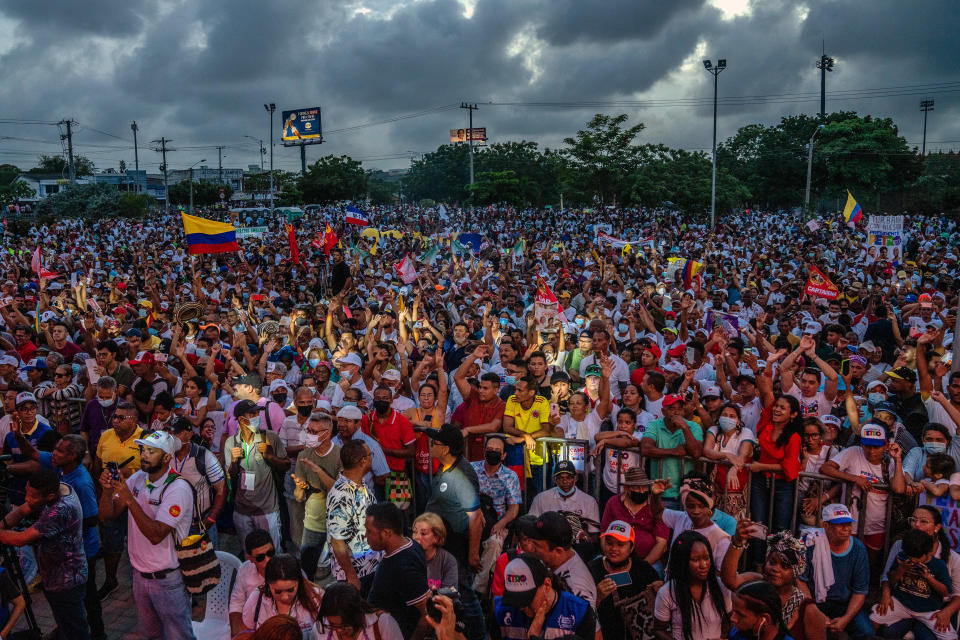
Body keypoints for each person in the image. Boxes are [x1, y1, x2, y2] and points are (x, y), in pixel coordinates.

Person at [97, 430, 196, 640]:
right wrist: (107, 491)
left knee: (178, 636)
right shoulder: (139, 478)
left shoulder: (177, 488)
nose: (144, 455)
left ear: (167, 457)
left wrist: (130, 501)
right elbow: (107, 515)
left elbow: (156, 534)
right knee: (151, 635)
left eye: (152, 451)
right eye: (143, 450)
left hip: (167, 579)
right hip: (140, 576)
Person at [15, 431, 105, 640]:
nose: (53, 453)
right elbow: (33, 453)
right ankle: (68, 627)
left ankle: (96, 634)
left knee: (86, 599)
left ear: (72, 456)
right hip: (64, 553)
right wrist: (17, 433)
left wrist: (62, 522)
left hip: (83, 550)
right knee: (72, 604)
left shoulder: (81, 482)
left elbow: (93, 518)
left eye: (58, 451)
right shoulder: (60, 465)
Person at [0, 468, 90, 640]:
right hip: (54, 575)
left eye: (32, 496)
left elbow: (20, 539)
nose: (27, 498)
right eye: (27, 492)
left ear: (49, 497)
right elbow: (22, 510)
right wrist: (3, 525)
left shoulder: (60, 510)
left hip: (66, 580)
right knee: (65, 623)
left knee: (75, 630)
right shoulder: (57, 488)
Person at [424, 424, 486, 639]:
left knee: (465, 595)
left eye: (435, 443)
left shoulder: (461, 474)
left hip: (457, 546)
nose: (431, 446)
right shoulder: (447, 467)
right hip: (445, 544)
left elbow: (476, 517)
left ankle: (480, 635)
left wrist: (472, 554)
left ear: (447, 448)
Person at [721, 522, 827, 640]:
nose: (776, 569)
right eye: (772, 562)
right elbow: (729, 580)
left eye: (785, 566)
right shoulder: (756, 584)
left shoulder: (808, 610)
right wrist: (737, 542)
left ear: (795, 572)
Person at [879, 504, 960, 639]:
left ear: (937, 528)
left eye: (924, 521)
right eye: (913, 520)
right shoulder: (900, 545)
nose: (916, 525)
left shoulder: (953, 558)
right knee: (888, 632)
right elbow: (887, 577)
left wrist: (947, 612)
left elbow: (957, 595)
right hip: (905, 603)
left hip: (936, 609)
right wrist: (886, 594)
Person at [225, 398, 290, 549]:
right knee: (250, 554)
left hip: (267, 510)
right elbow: (231, 475)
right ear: (241, 419)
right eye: (252, 414)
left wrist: (270, 456)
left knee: (273, 551)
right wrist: (234, 461)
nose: (257, 417)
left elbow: (286, 465)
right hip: (242, 510)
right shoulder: (231, 442)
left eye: (257, 413)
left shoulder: (270, 437)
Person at [93, 400, 141, 599]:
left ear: (134, 420)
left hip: (137, 500)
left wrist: (132, 472)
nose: (116, 421)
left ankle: (141, 580)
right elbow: (97, 464)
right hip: (111, 498)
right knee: (112, 540)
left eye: (122, 418)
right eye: (115, 417)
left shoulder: (145, 439)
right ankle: (111, 580)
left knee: (139, 542)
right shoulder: (106, 436)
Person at [365, 502, 431, 639]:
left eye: (369, 531)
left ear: (386, 533)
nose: (366, 536)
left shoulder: (403, 567)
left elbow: (426, 616)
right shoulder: (409, 544)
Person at [494, 554, 599, 640]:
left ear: (547, 585)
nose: (521, 607)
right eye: (513, 599)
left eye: (526, 599)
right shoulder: (500, 610)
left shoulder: (579, 612)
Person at [588, 520, 661, 640]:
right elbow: (581, 610)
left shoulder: (644, 570)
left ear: (631, 547)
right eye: (609, 543)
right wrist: (597, 597)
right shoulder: (592, 570)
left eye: (620, 544)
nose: (614, 549)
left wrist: (660, 590)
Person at [654, 530, 730, 640]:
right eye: (695, 560)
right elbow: (659, 629)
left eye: (706, 558)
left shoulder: (720, 586)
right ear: (682, 562)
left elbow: (729, 619)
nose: (703, 565)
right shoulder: (667, 592)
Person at [293, 411, 342, 579]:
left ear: (327, 433)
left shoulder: (340, 455)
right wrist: (300, 488)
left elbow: (339, 491)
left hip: (337, 521)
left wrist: (317, 470)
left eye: (314, 432)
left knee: (339, 568)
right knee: (307, 567)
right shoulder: (303, 456)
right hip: (313, 520)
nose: (310, 435)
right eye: (309, 430)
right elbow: (299, 495)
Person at [326, 439, 380, 591]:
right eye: (371, 455)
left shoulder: (359, 484)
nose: (372, 457)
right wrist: (351, 577)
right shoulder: (341, 495)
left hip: (371, 566)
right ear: (363, 461)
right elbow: (337, 541)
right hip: (358, 573)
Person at [651, 476, 733, 570]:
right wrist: (655, 495)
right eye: (691, 506)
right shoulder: (681, 518)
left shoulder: (721, 539)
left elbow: (721, 575)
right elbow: (658, 513)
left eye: (701, 506)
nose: (696, 511)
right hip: (671, 583)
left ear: (710, 506)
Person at [167, 418, 227, 547]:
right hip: (173, 523)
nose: (172, 437)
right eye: (170, 433)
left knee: (207, 563)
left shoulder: (204, 456)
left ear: (189, 434)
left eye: (177, 433)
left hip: (200, 523)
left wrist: (210, 519)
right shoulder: (165, 455)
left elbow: (221, 489)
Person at [640, 393, 703, 508]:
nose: (676, 412)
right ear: (663, 411)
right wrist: (673, 452)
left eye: (680, 408)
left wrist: (684, 427)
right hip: (661, 492)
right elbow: (645, 448)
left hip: (686, 493)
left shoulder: (693, 426)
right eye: (672, 408)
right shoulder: (655, 424)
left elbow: (696, 453)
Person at [523, 510, 598, 608]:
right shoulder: (567, 556)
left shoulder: (575, 588)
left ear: (558, 551)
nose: (531, 548)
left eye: (537, 545)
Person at [600, 468, 671, 567]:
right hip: (616, 559)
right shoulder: (613, 503)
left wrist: (643, 566)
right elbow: (604, 534)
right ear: (626, 489)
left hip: (649, 562)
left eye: (645, 487)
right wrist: (611, 558)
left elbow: (661, 543)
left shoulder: (657, 507)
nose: (642, 491)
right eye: (637, 488)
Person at [241, 554, 322, 638]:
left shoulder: (315, 598)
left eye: (290, 590)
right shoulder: (256, 599)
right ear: (268, 584)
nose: (285, 597)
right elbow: (249, 632)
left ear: (299, 582)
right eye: (278, 591)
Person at [528, 460, 600, 535]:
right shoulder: (540, 499)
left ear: (575, 478)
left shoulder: (589, 501)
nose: (565, 481)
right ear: (555, 480)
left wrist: (585, 537)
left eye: (569, 477)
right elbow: (531, 525)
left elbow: (594, 533)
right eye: (560, 478)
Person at [471, 434, 522, 538]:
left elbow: (514, 509)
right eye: (489, 449)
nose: (493, 452)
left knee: (494, 543)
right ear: (484, 452)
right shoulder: (471, 469)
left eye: (497, 451)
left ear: (503, 455)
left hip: (498, 522)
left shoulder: (510, 476)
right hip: (471, 518)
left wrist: (501, 524)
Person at [316, 581, 404, 640]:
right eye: (333, 625)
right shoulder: (321, 627)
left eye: (344, 625)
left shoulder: (382, 623)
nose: (339, 630)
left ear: (358, 613)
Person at [230, 529, 277, 637]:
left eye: (270, 553)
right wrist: (238, 635)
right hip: (253, 626)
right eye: (260, 557)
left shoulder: (288, 567)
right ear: (250, 558)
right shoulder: (244, 570)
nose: (268, 560)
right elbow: (237, 604)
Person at [728, 580, 797, 640]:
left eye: (740, 614)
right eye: (734, 611)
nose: (732, 618)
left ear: (765, 619)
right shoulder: (736, 633)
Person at [412, 512, 459, 591]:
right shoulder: (407, 556)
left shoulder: (447, 560)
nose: (416, 537)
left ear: (436, 537)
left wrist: (431, 594)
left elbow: (452, 590)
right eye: (414, 532)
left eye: (423, 533)